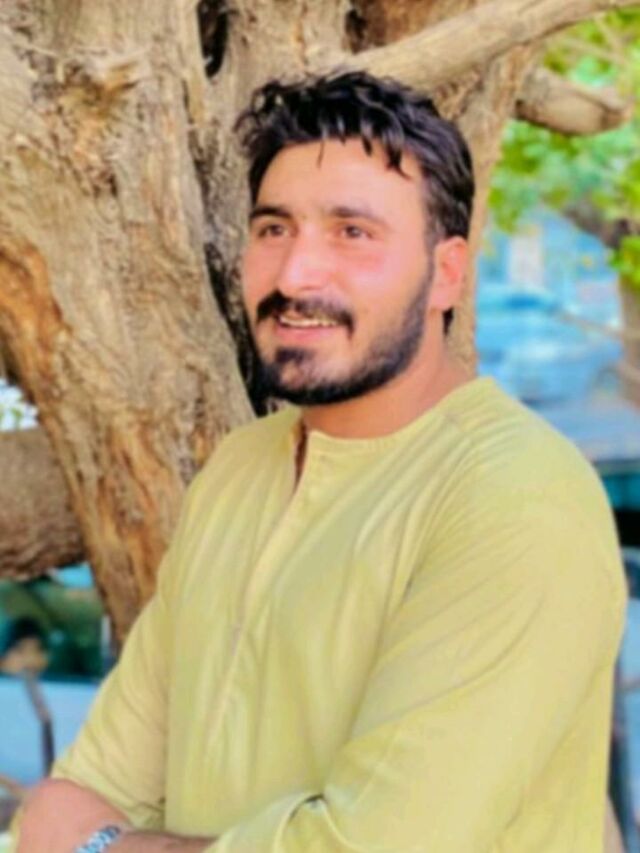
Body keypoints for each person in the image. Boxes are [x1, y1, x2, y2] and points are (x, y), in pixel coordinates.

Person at [15, 70, 626, 852]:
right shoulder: (240, 470)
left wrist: (105, 847)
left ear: (446, 273)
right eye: (274, 229)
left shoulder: (514, 498)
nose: (296, 274)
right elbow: (89, 789)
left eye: (352, 232)